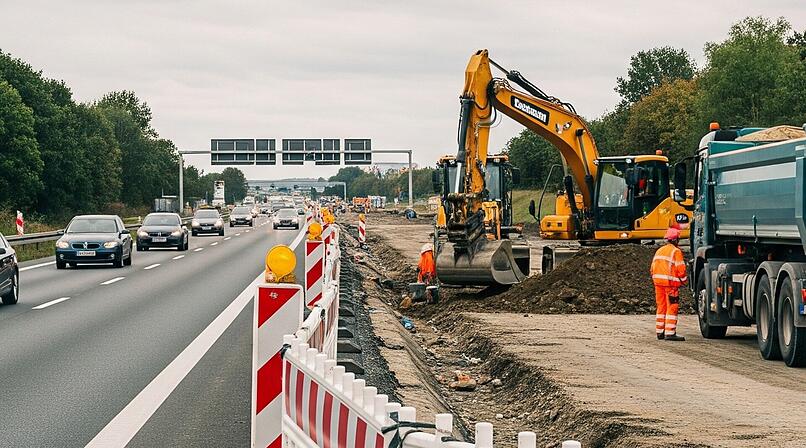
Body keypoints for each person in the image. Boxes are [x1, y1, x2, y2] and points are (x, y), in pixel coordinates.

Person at [651, 227, 688, 341]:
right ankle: (670, 332)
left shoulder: (659, 250)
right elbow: (681, 269)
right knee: (672, 307)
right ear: (676, 240)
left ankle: (660, 332)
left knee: (661, 306)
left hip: (658, 283)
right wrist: (685, 281)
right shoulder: (676, 251)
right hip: (670, 284)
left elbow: (652, 268)